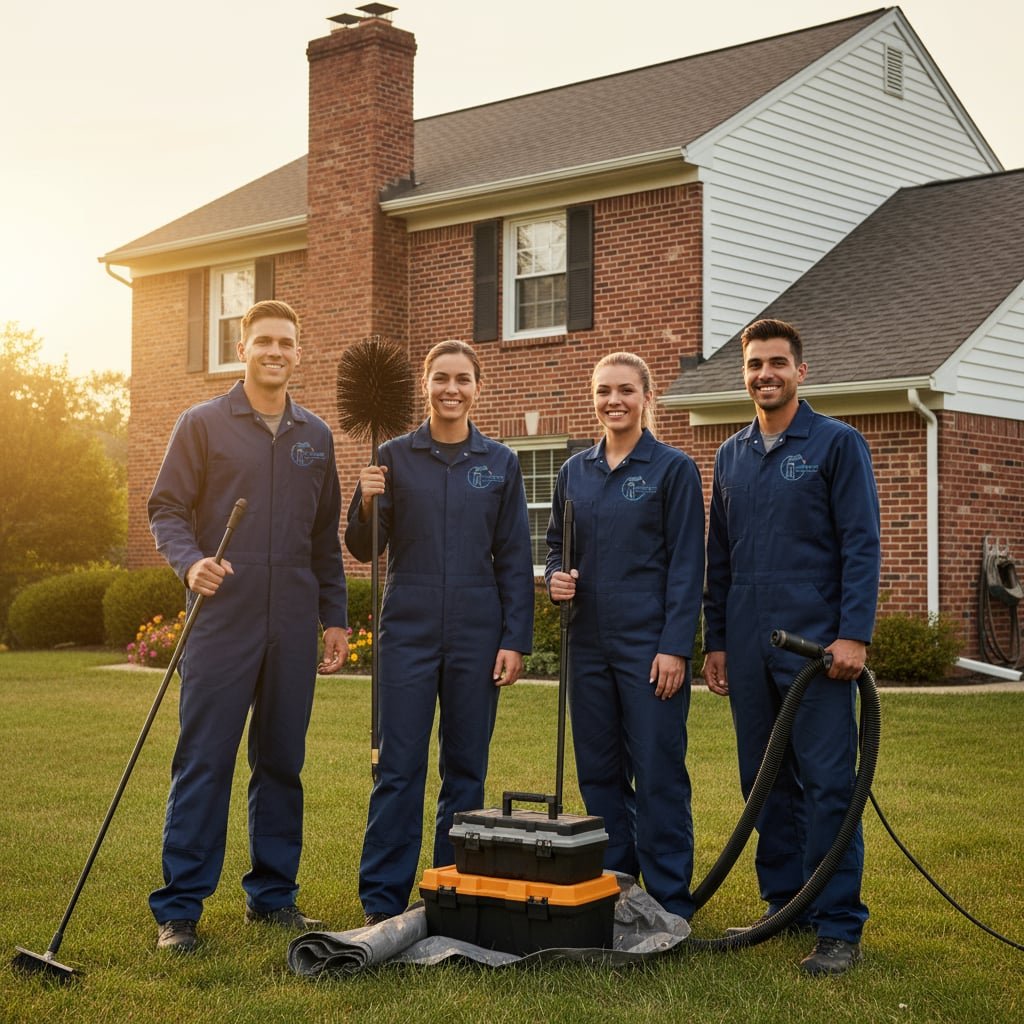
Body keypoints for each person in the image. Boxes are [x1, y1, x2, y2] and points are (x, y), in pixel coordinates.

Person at [148, 299, 349, 953]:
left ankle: (272, 898)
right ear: (243, 348)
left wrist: (334, 621)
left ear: (299, 351)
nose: (275, 351)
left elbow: (325, 542)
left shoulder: (315, 437)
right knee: (204, 761)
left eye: (286, 342)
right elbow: (167, 507)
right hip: (221, 620)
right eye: (263, 340)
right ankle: (179, 910)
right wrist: (190, 562)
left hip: (291, 620)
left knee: (282, 763)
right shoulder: (202, 424)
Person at [703, 317, 881, 976]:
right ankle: (785, 905)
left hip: (818, 651)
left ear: (801, 371)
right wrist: (715, 639)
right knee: (763, 781)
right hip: (748, 645)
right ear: (743, 374)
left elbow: (861, 544)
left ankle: (838, 926)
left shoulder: (837, 444)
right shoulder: (730, 455)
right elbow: (718, 556)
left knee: (830, 785)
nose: (765, 374)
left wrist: (853, 633)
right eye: (754, 365)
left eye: (777, 363)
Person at [346, 339, 534, 926]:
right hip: (408, 627)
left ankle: (450, 889)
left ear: (478, 388)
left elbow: (512, 556)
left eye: (463, 379)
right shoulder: (394, 457)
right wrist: (364, 500)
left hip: (478, 632)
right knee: (399, 766)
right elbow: (363, 547)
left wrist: (515, 638)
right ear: (425, 385)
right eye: (441, 378)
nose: (451, 390)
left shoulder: (500, 463)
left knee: (466, 769)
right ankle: (383, 898)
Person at [546, 352, 705, 919]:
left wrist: (674, 647)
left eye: (625, 391)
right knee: (599, 772)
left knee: (659, 772)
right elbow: (554, 549)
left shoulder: (672, 469)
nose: (613, 401)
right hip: (586, 646)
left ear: (647, 397)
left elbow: (688, 565)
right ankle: (617, 885)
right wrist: (554, 579)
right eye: (603, 391)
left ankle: (669, 899)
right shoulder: (574, 472)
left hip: (649, 648)